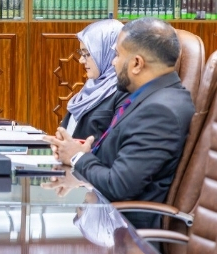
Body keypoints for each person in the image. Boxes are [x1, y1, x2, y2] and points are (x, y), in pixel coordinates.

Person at [44, 17, 195, 229]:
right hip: (108, 215)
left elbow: (118, 185)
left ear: (136, 64)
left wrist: (78, 157)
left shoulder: (160, 110)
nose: (113, 62)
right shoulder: (148, 97)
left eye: (117, 55)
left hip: (127, 232)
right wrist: (83, 151)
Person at [60, 19, 127, 143]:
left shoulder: (124, 91)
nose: (81, 60)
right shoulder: (91, 86)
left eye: (87, 54)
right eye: (81, 53)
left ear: (108, 52)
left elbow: (114, 144)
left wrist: (79, 151)